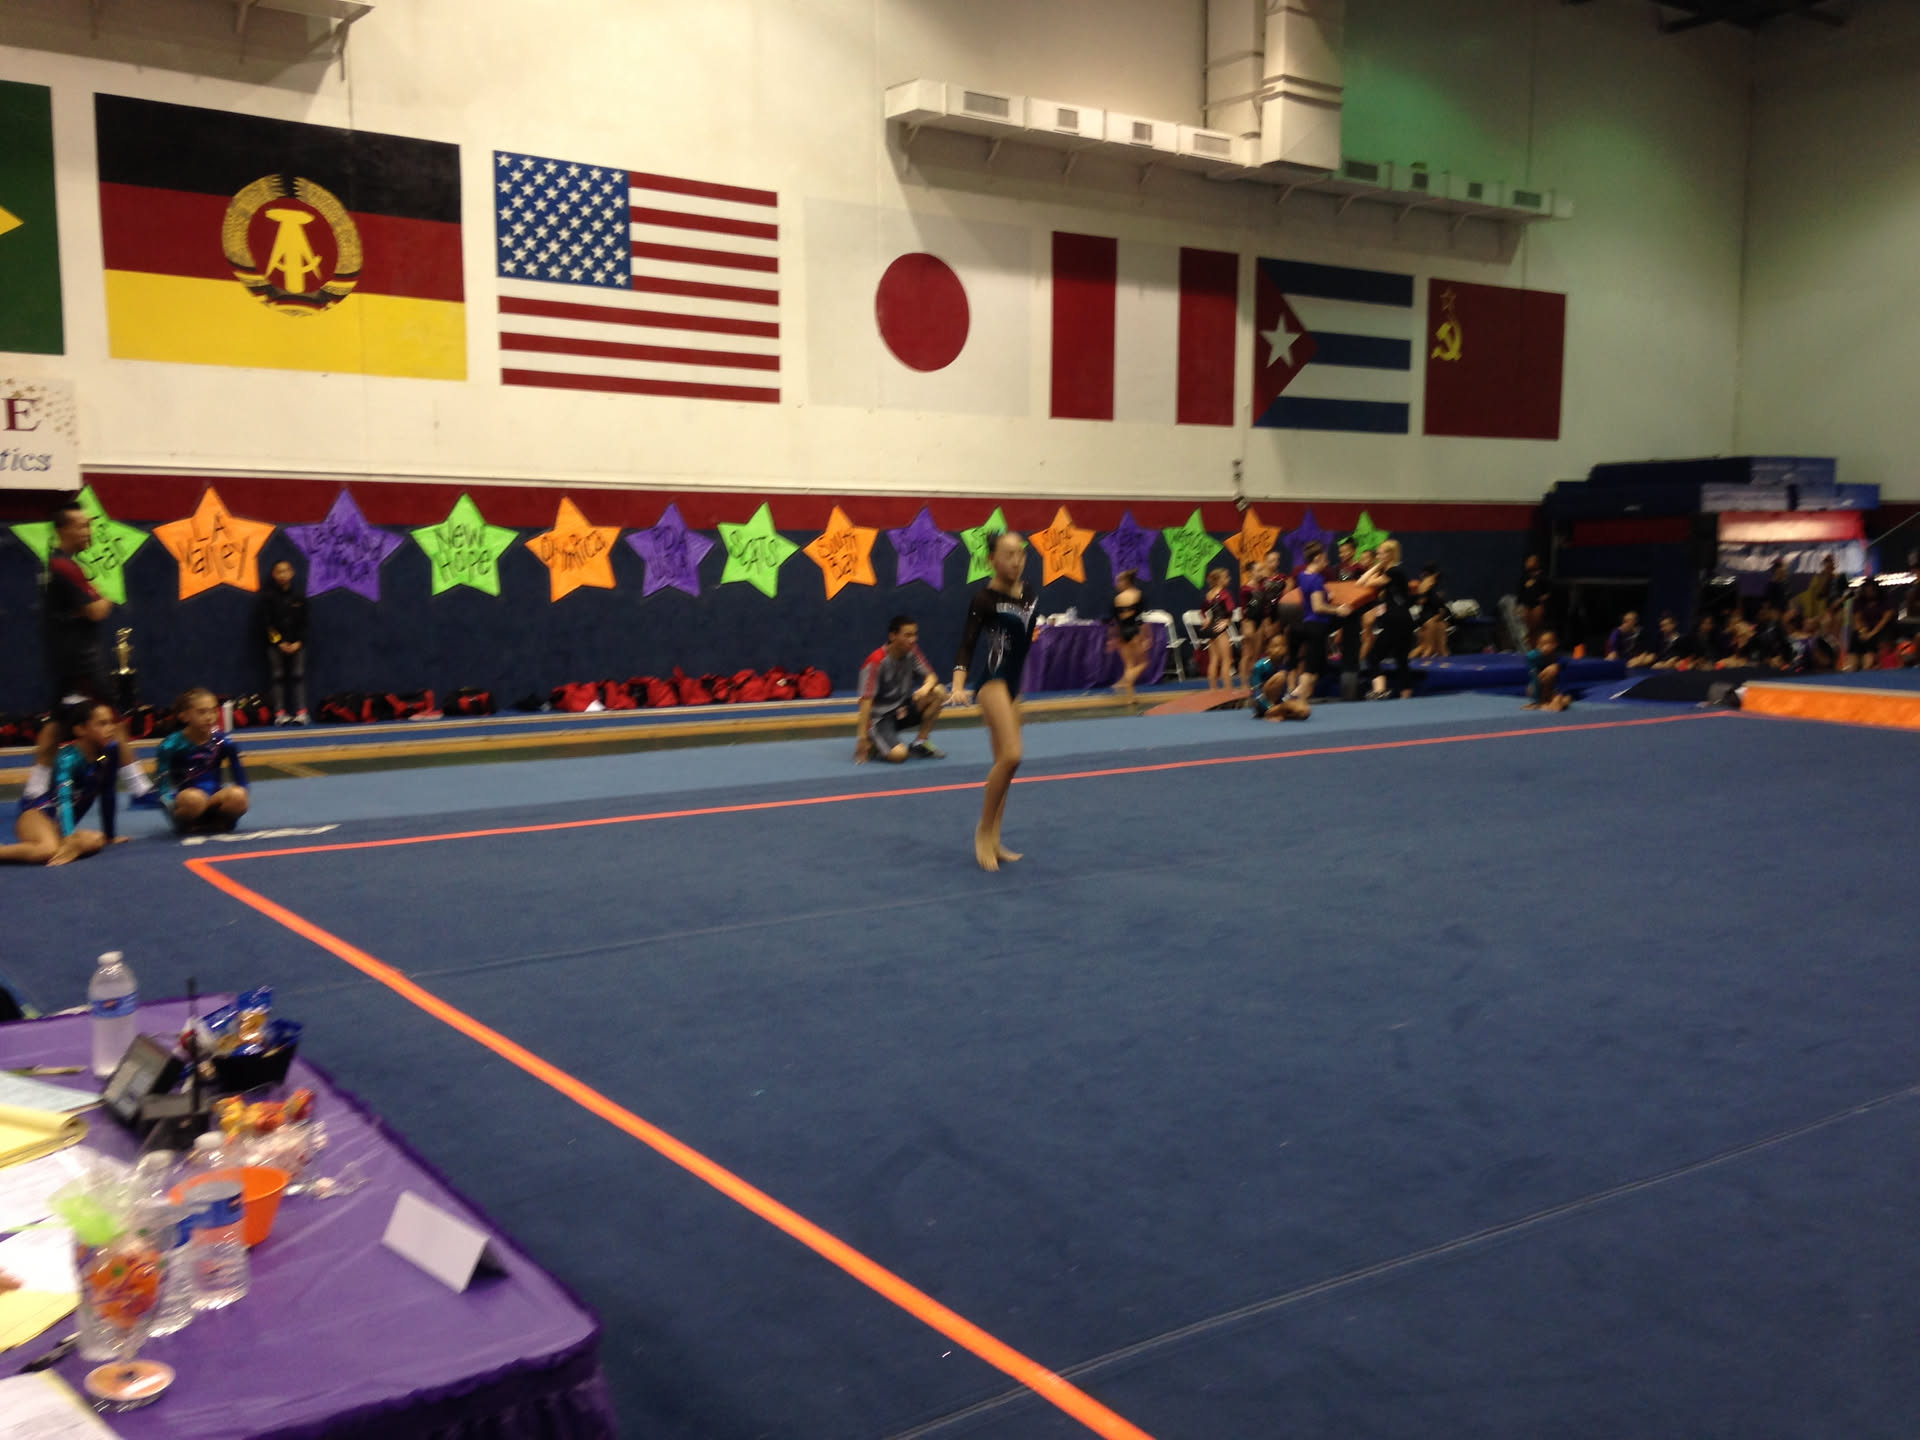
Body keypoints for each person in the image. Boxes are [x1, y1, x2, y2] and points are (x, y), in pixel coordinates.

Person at [29, 501, 156, 809]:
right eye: (81, 526)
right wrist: (103, 596)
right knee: (112, 720)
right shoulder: (65, 568)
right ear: (63, 530)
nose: (88, 532)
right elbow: (97, 610)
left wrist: (92, 600)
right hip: (81, 663)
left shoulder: (56, 565)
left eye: (88, 525)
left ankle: (33, 793)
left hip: (65, 660)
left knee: (57, 723)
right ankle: (139, 788)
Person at [952, 532, 1039, 873]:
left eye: (1021, 554)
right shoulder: (984, 598)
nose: (1016, 561)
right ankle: (982, 831)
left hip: (1013, 687)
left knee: (1005, 765)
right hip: (992, 682)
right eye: (1008, 555)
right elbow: (967, 644)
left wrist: (1020, 691)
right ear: (992, 559)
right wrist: (958, 685)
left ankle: (996, 839)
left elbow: (1023, 644)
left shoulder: (1030, 593)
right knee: (1013, 755)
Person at [2, 700, 127, 866]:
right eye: (102, 724)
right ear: (80, 729)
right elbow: (64, 799)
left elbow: (108, 792)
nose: (110, 728)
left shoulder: (109, 752)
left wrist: (110, 835)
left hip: (60, 826)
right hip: (37, 815)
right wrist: (70, 838)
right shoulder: (67, 759)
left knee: (96, 839)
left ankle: (62, 841)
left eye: (111, 722)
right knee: (47, 850)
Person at [155, 688, 251, 832]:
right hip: (188, 801)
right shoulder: (170, 745)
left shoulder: (224, 742)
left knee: (238, 796)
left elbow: (241, 782)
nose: (209, 717)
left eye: (213, 711)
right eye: (201, 712)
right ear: (184, 716)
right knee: (194, 800)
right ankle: (190, 822)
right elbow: (163, 790)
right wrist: (173, 809)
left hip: (215, 800)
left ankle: (219, 821)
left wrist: (239, 802)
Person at [855, 616, 947, 764]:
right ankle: (875, 742)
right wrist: (862, 738)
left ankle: (920, 743)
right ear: (893, 636)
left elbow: (931, 676)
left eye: (915, 634)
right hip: (880, 719)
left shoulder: (912, 652)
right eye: (907, 635)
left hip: (902, 710)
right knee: (899, 756)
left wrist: (926, 687)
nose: (913, 640)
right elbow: (866, 702)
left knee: (939, 692)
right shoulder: (876, 661)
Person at [1289, 543, 1349, 703]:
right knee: (1310, 668)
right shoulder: (1316, 579)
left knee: (1317, 667)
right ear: (1317, 558)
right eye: (1324, 559)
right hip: (1317, 626)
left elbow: (1311, 599)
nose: (1327, 562)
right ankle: (1297, 699)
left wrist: (1327, 595)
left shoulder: (1302, 576)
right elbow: (1318, 607)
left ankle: (1303, 696)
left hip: (1309, 623)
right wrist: (1338, 610)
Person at [1362, 539, 1417, 699]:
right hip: (1403, 620)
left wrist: (1377, 566)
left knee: (1373, 657)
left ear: (1390, 555)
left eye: (1381, 553)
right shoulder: (1395, 572)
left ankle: (1380, 691)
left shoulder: (1394, 572)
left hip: (1396, 621)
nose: (1377, 556)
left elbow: (1364, 582)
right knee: (1401, 660)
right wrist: (1380, 565)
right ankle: (1406, 697)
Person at [261, 559, 311, 726]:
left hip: (297, 644)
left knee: (298, 675)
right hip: (275, 645)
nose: (283, 575)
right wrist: (279, 642)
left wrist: (299, 641)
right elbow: (266, 623)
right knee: (278, 676)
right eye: (279, 572)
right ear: (274, 575)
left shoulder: (299, 597)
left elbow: (305, 623)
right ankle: (280, 713)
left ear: (292, 573)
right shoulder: (268, 598)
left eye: (285, 571)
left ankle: (302, 712)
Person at [1109, 569, 1152, 702]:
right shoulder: (1138, 595)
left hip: (1123, 632)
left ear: (1126, 582)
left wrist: (1114, 637)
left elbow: (1115, 621)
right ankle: (1127, 680)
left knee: (1129, 665)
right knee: (1144, 662)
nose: (1117, 585)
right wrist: (1146, 636)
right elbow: (1140, 619)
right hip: (1135, 632)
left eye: (1119, 582)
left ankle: (1130, 697)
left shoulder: (1117, 599)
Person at [1248, 632, 1310, 721]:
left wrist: (1288, 704)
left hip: (1280, 702)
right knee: (1280, 677)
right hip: (1262, 703)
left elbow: (1290, 690)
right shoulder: (1260, 666)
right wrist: (1270, 707)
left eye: (1282, 646)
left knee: (1305, 711)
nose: (1279, 649)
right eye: (1275, 646)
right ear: (1267, 649)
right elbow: (1256, 693)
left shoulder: (1287, 665)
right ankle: (1269, 713)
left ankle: (1278, 712)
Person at [1199, 567, 1236, 691]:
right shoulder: (1225, 594)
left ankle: (1213, 689)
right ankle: (1228, 689)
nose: (1229, 579)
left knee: (1214, 660)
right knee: (1227, 660)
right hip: (1220, 629)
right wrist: (1227, 621)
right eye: (1226, 577)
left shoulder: (1209, 594)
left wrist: (1206, 619)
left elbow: (1203, 610)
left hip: (1211, 629)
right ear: (1219, 580)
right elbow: (1230, 610)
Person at [1523, 631, 1571, 712]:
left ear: (1555, 644)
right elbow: (1535, 678)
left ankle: (1558, 700)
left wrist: (1556, 666)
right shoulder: (1534, 657)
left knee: (1559, 700)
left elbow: (1565, 662)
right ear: (1538, 646)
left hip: (1553, 690)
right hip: (1541, 690)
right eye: (1541, 644)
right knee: (1534, 684)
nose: (1544, 647)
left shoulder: (1557, 658)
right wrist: (1537, 702)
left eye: (1548, 643)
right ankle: (1545, 701)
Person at [1411, 566, 1449, 658]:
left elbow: (1421, 601)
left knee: (1439, 649)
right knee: (1428, 648)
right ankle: (1405, 663)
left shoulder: (1428, 586)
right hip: (1429, 619)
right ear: (1435, 574)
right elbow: (1420, 601)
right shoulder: (1427, 585)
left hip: (1433, 619)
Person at [1517, 553, 1551, 647]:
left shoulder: (1542, 577)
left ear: (1536, 563)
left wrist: (1544, 598)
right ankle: (1530, 647)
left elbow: (1548, 591)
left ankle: (1539, 645)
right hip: (1527, 605)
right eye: (1527, 562)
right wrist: (1517, 605)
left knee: (1536, 627)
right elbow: (1520, 592)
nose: (1528, 563)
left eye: (1531, 561)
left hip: (1537, 605)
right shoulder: (1525, 578)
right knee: (1529, 628)